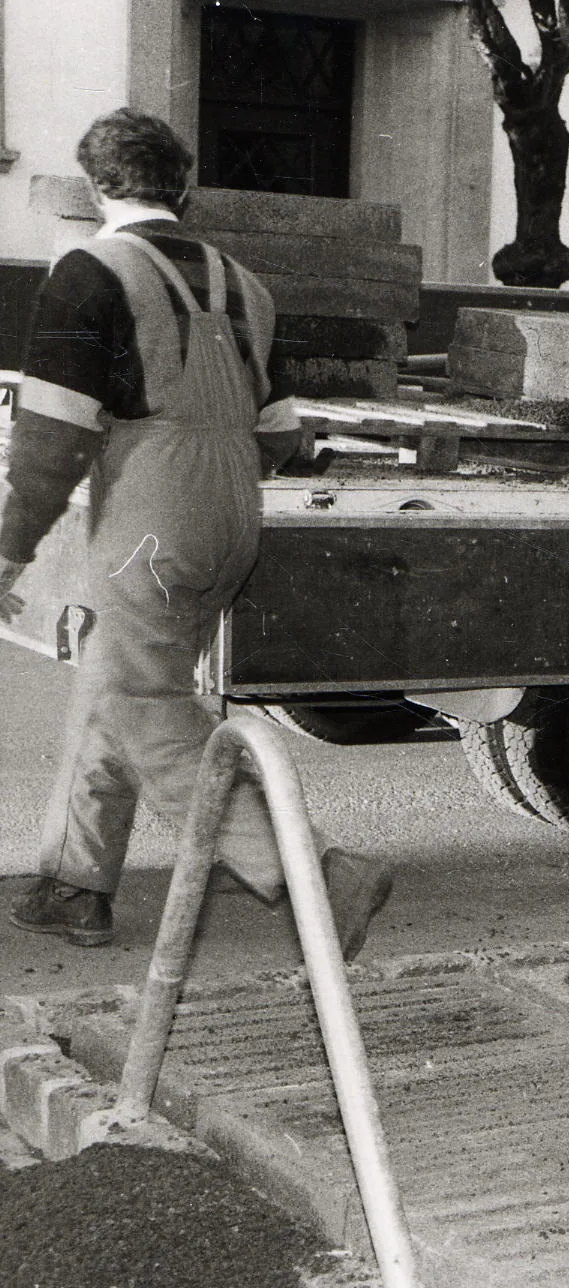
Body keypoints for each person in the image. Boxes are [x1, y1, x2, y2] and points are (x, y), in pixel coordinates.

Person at [0, 109, 394, 959]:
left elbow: (49, 443)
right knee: (121, 677)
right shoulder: (241, 283)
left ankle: (311, 872)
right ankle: (76, 884)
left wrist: (9, 548)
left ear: (95, 186)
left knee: (143, 701)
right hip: (231, 516)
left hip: (151, 519)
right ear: (182, 187)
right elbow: (283, 430)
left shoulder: (87, 272)